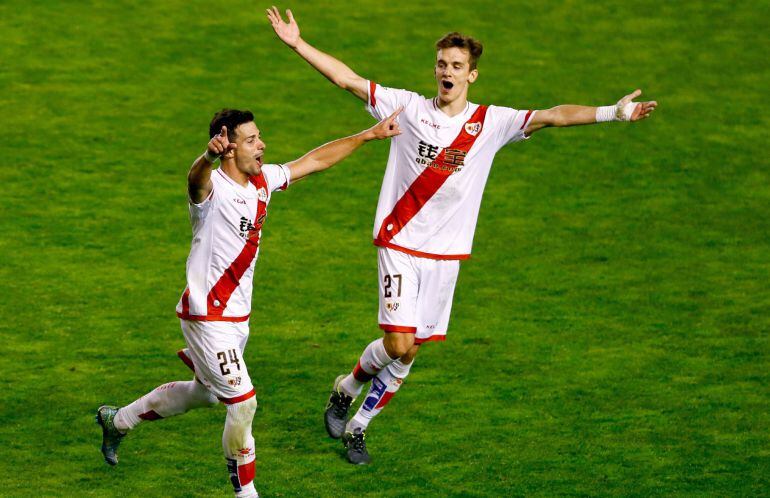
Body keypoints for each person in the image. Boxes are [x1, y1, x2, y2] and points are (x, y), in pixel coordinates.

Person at [267, 6, 658, 465]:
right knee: (397, 343)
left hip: (446, 255)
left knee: (411, 351)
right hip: (399, 243)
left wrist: (614, 112)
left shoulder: (492, 123)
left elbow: (554, 116)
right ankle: (346, 387)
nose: (446, 73)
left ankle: (357, 419)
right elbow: (347, 79)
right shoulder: (408, 107)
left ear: (472, 74)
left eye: (456, 66)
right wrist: (297, 44)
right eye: (441, 64)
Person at [96, 107, 402, 497]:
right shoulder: (211, 190)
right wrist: (206, 158)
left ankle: (117, 421)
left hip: (238, 318)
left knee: (202, 394)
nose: (263, 145)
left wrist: (367, 136)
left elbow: (314, 161)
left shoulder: (263, 181)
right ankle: (246, 493)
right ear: (228, 148)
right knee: (244, 404)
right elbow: (195, 181)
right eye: (253, 140)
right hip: (207, 316)